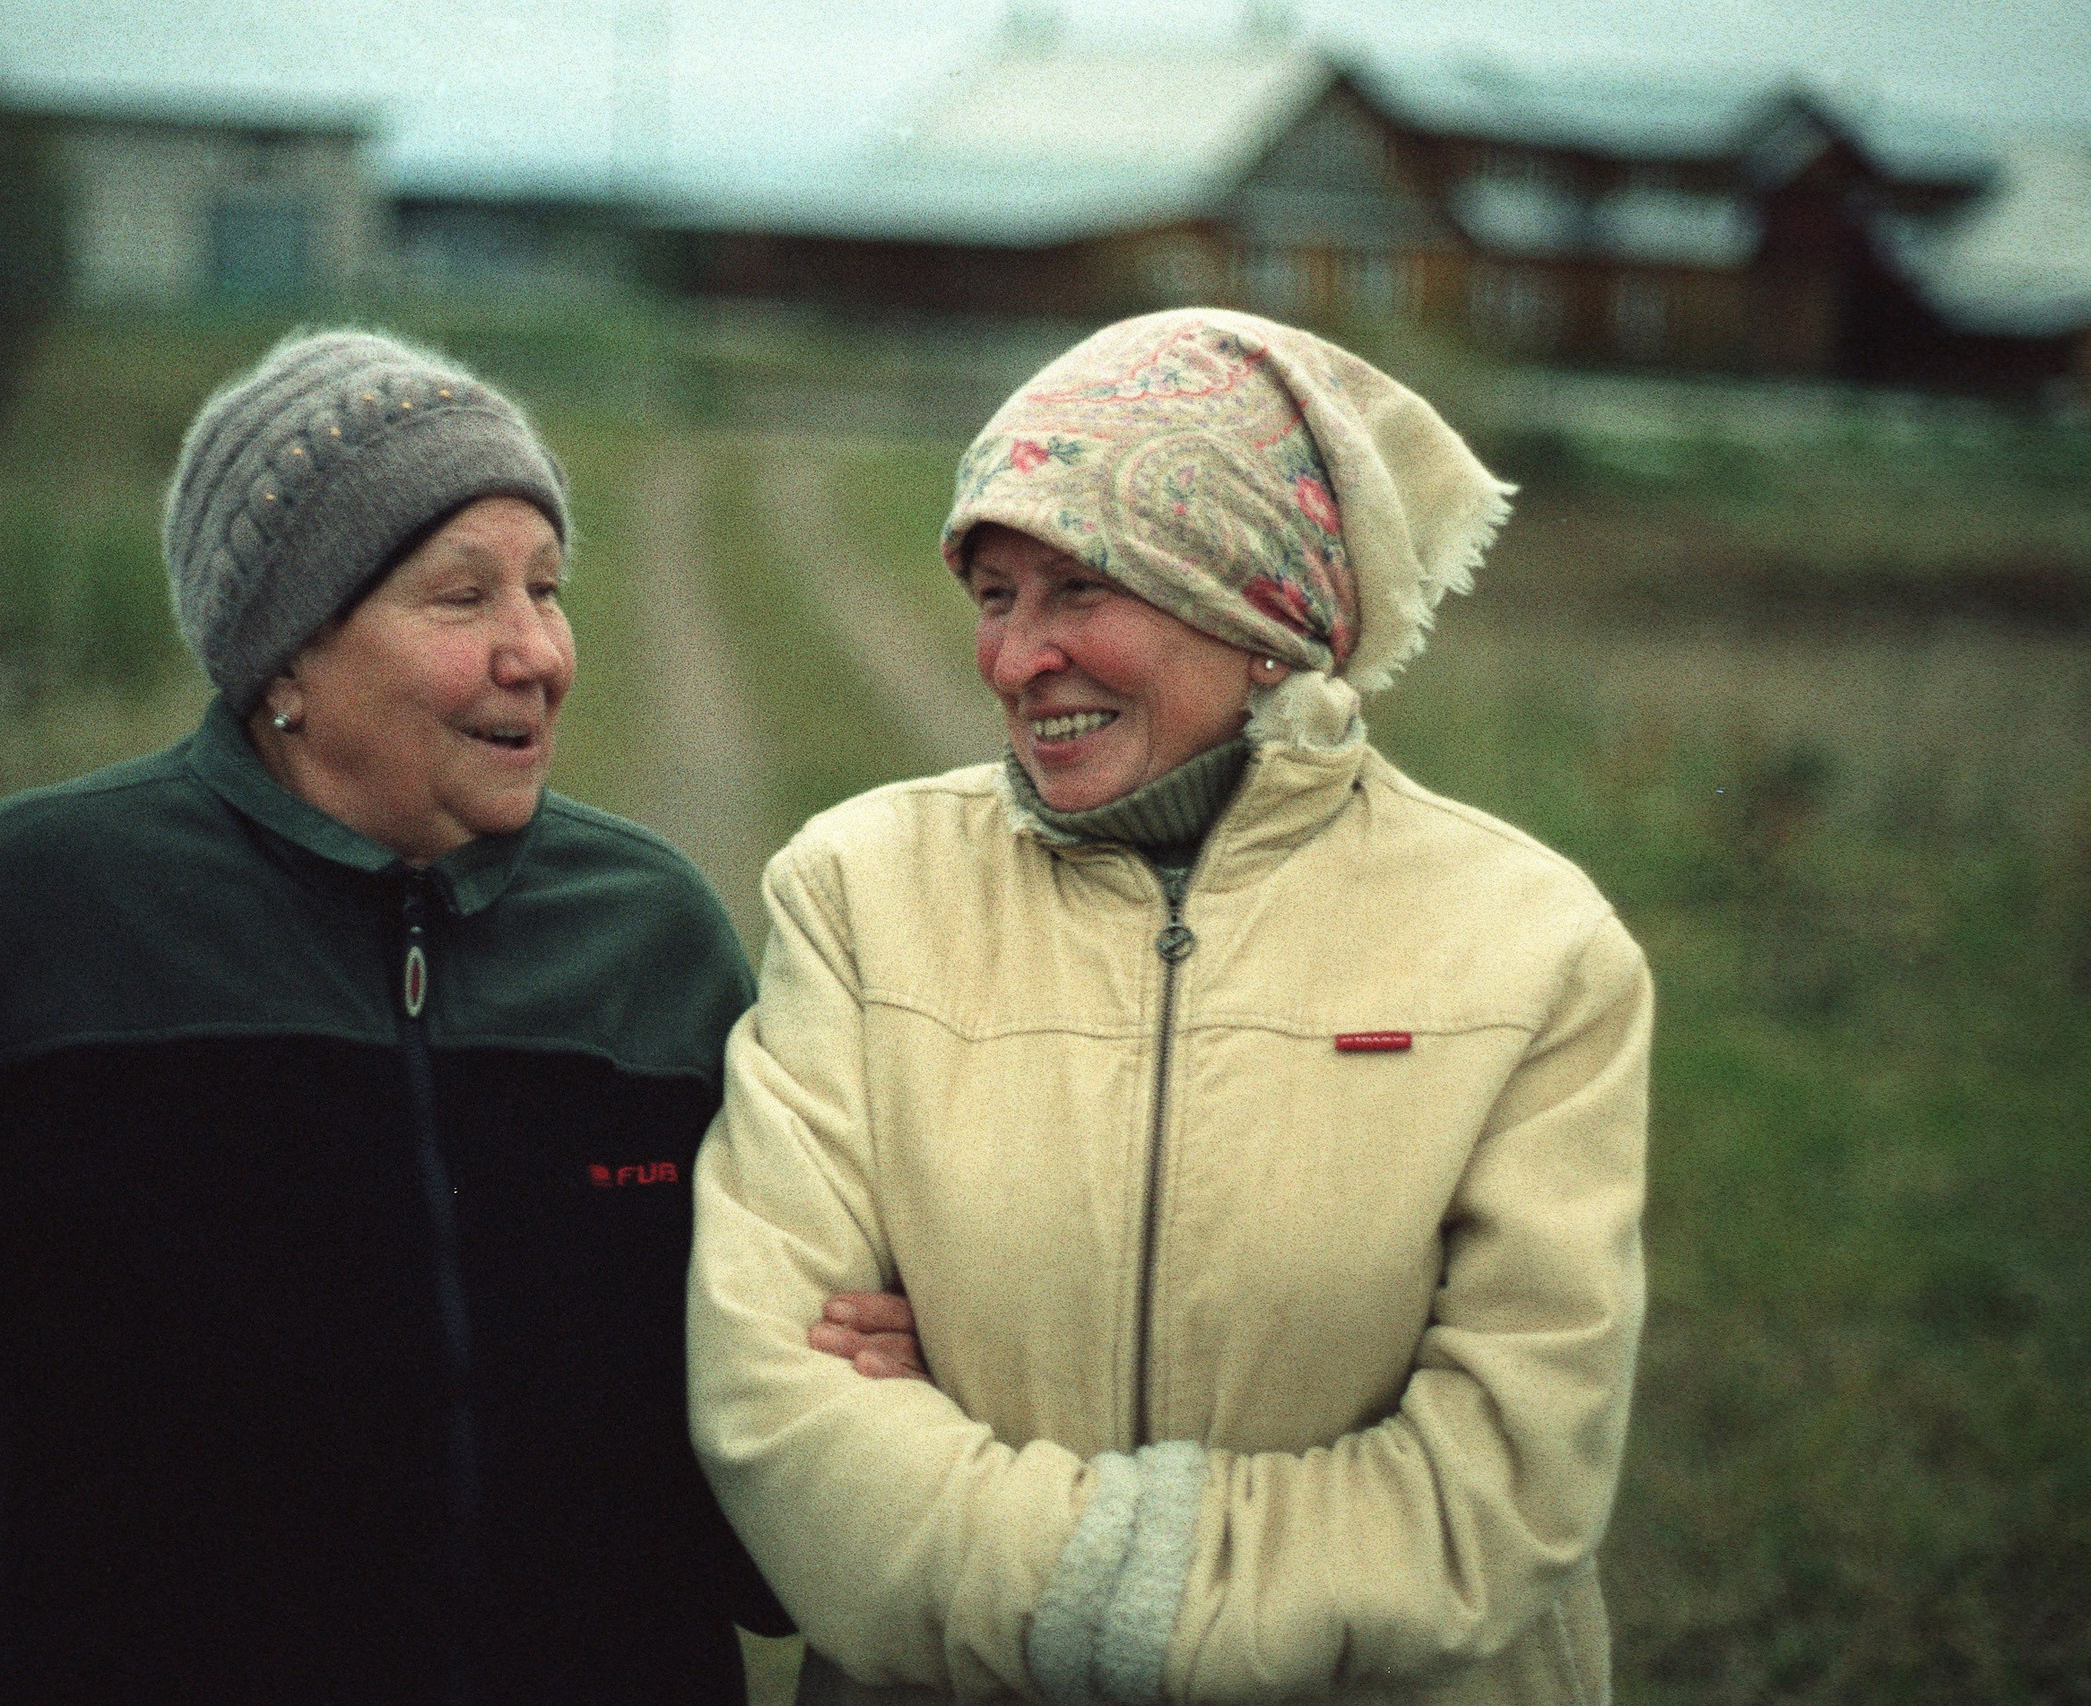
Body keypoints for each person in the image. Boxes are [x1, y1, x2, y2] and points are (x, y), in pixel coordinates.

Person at [0, 329, 782, 1705]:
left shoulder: (651, 938)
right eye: (462, 596)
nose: (535, 649)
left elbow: (762, 1439)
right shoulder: (24, 920)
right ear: (284, 656)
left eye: (547, 586)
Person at [688, 309, 1650, 1706]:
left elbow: (1495, 1489)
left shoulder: (1531, 950)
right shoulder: (856, 892)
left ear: (1257, 609)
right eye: (995, 594)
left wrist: (1082, 1568)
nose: (1018, 659)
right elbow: (780, 1403)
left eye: (1079, 588)